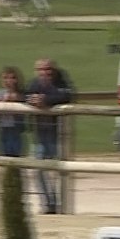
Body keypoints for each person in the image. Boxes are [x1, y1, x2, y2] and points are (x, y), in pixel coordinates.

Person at [24, 58, 73, 214]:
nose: (45, 73)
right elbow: (25, 96)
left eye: (48, 69)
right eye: (41, 70)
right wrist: (32, 100)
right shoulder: (34, 84)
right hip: (40, 134)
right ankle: (48, 202)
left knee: (61, 170)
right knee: (39, 169)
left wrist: (45, 100)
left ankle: (61, 203)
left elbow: (67, 96)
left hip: (57, 133)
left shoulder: (61, 82)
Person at [0, 66, 27, 158]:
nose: (9, 81)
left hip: (17, 130)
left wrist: (16, 98)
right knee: (3, 155)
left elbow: (26, 101)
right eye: (5, 78)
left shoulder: (22, 93)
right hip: (2, 129)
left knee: (17, 155)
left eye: (12, 78)